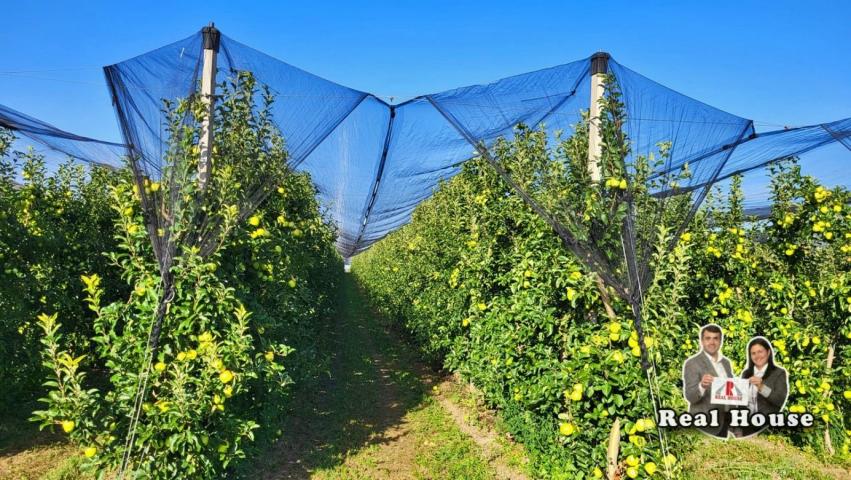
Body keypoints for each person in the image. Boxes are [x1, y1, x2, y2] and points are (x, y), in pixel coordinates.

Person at [682, 324, 734, 438]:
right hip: (704, 424)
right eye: (708, 338)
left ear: (720, 341)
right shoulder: (692, 363)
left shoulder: (726, 363)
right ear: (701, 340)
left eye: (716, 338)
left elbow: (731, 393)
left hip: (724, 423)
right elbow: (690, 396)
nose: (712, 342)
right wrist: (702, 386)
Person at [738, 336, 789, 437]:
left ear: (768, 352)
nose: (757, 356)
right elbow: (740, 401)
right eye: (753, 353)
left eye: (760, 351)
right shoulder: (746, 373)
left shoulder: (778, 373)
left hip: (765, 426)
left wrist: (761, 387)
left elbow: (779, 400)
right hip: (746, 425)